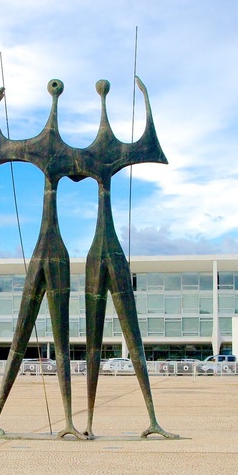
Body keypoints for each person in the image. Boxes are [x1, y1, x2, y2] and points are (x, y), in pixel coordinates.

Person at [0, 79, 86, 439]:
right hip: (51, 251)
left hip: (48, 251)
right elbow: (0, 150)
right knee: (40, 340)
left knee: (35, 340)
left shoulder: (41, 148)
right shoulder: (66, 152)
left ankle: (61, 420)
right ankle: (16, 418)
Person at [73, 78, 177, 439]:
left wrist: (146, 99)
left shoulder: (84, 155)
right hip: (106, 250)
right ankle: (96, 422)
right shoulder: (108, 153)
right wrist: (146, 99)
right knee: (113, 340)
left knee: (107, 340)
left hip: (104, 251)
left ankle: (98, 422)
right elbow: (150, 144)